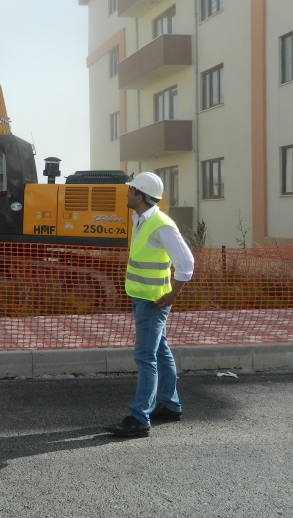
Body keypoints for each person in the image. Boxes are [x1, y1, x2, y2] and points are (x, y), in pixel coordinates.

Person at [104, 172, 194, 437]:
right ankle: (170, 405)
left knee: (145, 356)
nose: (127, 193)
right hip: (144, 297)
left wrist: (173, 294)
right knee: (160, 351)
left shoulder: (161, 224)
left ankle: (139, 418)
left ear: (140, 196)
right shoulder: (140, 218)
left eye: (130, 190)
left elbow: (186, 264)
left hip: (153, 301)